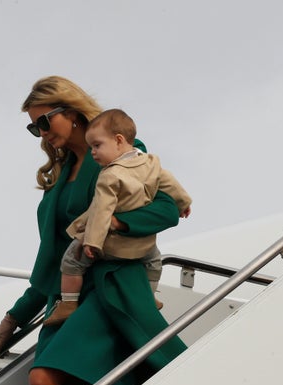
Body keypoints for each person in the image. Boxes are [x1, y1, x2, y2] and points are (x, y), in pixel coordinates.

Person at [0, 76, 187, 385]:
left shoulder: (121, 153)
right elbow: (49, 262)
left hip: (109, 287)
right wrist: (14, 318)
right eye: (34, 128)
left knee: (44, 381)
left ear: (72, 112)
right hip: (65, 298)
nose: (42, 134)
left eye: (45, 122)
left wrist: (119, 223)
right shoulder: (58, 179)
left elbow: (166, 208)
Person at [45, 108, 192, 326]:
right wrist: (183, 202)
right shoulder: (150, 162)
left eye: (97, 145)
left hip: (111, 244)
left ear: (118, 140)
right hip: (141, 244)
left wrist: (92, 242)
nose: (93, 152)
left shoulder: (110, 175)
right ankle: (150, 296)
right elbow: (168, 182)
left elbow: (102, 210)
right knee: (154, 261)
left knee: (71, 260)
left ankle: (68, 303)